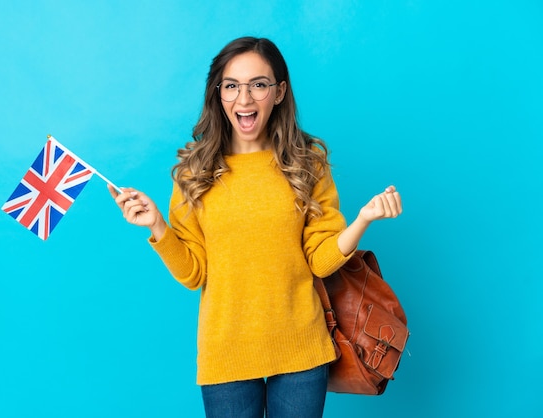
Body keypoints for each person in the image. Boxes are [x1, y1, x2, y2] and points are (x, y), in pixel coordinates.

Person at [109, 36, 402, 418]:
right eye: (231, 86)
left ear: (279, 92)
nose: (244, 99)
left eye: (258, 85)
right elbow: (194, 273)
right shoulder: (193, 173)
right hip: (226, 351)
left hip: (300, 347)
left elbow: (319, 262)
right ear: (218, 94)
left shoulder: (307, 164)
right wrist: (158, 226)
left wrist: (363, 220)